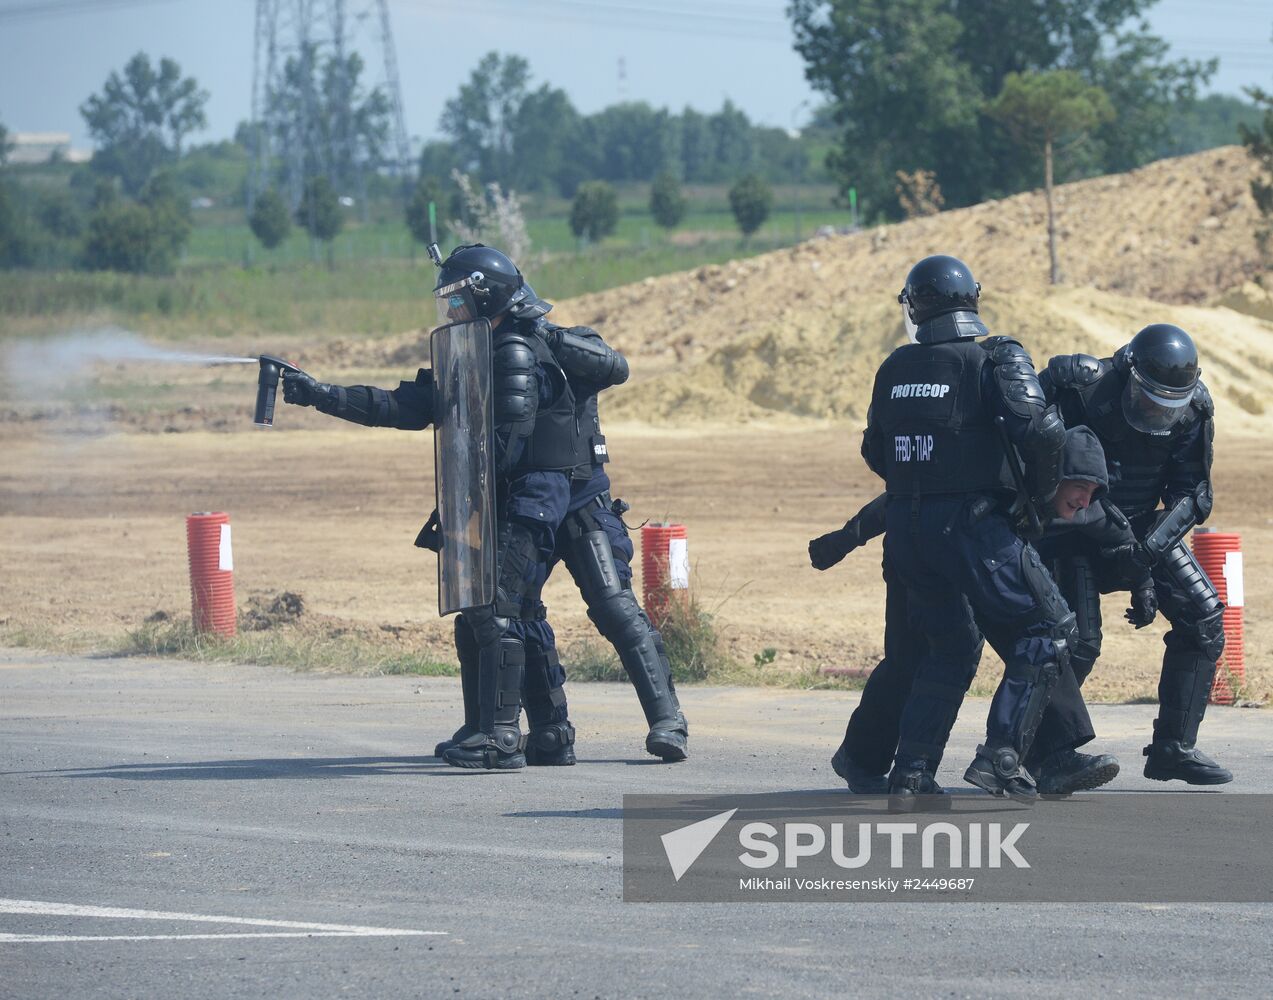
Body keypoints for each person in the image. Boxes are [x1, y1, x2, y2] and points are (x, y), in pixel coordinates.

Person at [281, 243, 586, 771]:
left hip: (524, 503)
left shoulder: (512, 349)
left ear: (484, 298)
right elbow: (404, 406)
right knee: (485, 614)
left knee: (497, 612)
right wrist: (320, 394)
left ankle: (500, 738)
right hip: (497, 503)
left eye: (458, 302)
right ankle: (536, 732)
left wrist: (481, 504)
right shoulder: (471, 351)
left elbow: (506, 445)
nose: (451, 313)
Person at [813, 426, 1143, 796]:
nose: (1086, 500)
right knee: (913, 658)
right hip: (926, 551)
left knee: (1040, 639)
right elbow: (897, 501)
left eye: (1094, 491)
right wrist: (844, 539)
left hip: (985, 566)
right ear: (1055, 474)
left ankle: (1054, 757)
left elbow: (1116, 531)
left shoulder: (1082, 506)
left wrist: (1142, 584)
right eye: (1080, 487)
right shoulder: (996, 478)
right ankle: (861, 757)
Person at [860, 254, 1069, 808]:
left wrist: (924, 485)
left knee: (949, 648)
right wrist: (1036, 499)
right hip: (975, 528)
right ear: (973, 299)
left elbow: (875, 451)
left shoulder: (894, 367)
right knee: (1045, 629)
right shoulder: (998, 355)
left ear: (915, 306)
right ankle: (1002, 757)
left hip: (908, 532)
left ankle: (911, 772)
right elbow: (1042, 432)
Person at [434, 319, 690, 765]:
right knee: (503, 610)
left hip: (583, 500)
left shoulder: (570, 343)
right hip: (527, 502)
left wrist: (545, 335)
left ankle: (668, 722)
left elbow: (615, 367)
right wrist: (323, 394)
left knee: (616, 607)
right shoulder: (479, 355)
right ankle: (529, 729)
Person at [1038, 324, 1231, 784]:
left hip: (1144, 530)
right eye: (1150, 399)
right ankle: (1042, 753)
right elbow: (1042, 467)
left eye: (1170, 404)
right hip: (1074, 524)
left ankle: (1174, 747)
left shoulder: (1194, 410)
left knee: (1204, 619)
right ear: (1130, 374)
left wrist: (1144, 555)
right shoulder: (1080, 388)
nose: (1158, 413)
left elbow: (1192, 495)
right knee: (1076, 642)